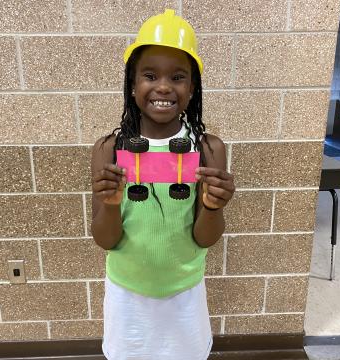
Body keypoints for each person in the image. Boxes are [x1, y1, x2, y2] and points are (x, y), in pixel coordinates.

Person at [90, 9, 235, 360]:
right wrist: (110, 203)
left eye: (178, 76)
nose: (164, 86)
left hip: (183, 292)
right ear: (132, 83)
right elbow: (104, 239)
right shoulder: (109, 148)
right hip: (127, 293)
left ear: (193, 86)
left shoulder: (208, 148)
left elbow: (206, 238)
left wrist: (214, 207)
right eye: (150, 75)